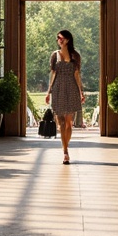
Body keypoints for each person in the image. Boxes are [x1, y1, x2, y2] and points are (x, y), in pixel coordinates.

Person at [44, 30, 84, 164]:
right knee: (61, 122)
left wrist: (81, 92)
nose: (58, 40)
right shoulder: (54, 55)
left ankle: (66, 146)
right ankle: (65, 152)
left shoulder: (75, 55)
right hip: (58, 89)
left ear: (67, 40)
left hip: (71, 88)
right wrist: (48, 92)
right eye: (57, 38)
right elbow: (53, 74)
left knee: (69, 123)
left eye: (60, 38)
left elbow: (77, 75)